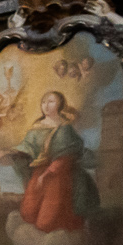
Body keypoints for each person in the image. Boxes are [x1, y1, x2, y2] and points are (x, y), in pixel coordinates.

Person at [9, 90, 88, 234]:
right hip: (39, 171)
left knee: (46, 223)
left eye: (51, 102)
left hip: (58, 174)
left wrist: (47, 174)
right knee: (28, 213)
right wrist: (11, 152)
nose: (46, 105)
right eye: (43, 102)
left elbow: (66, 157)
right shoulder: (37, 126)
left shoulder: (65, 128)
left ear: (59, 105)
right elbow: (27, 146)